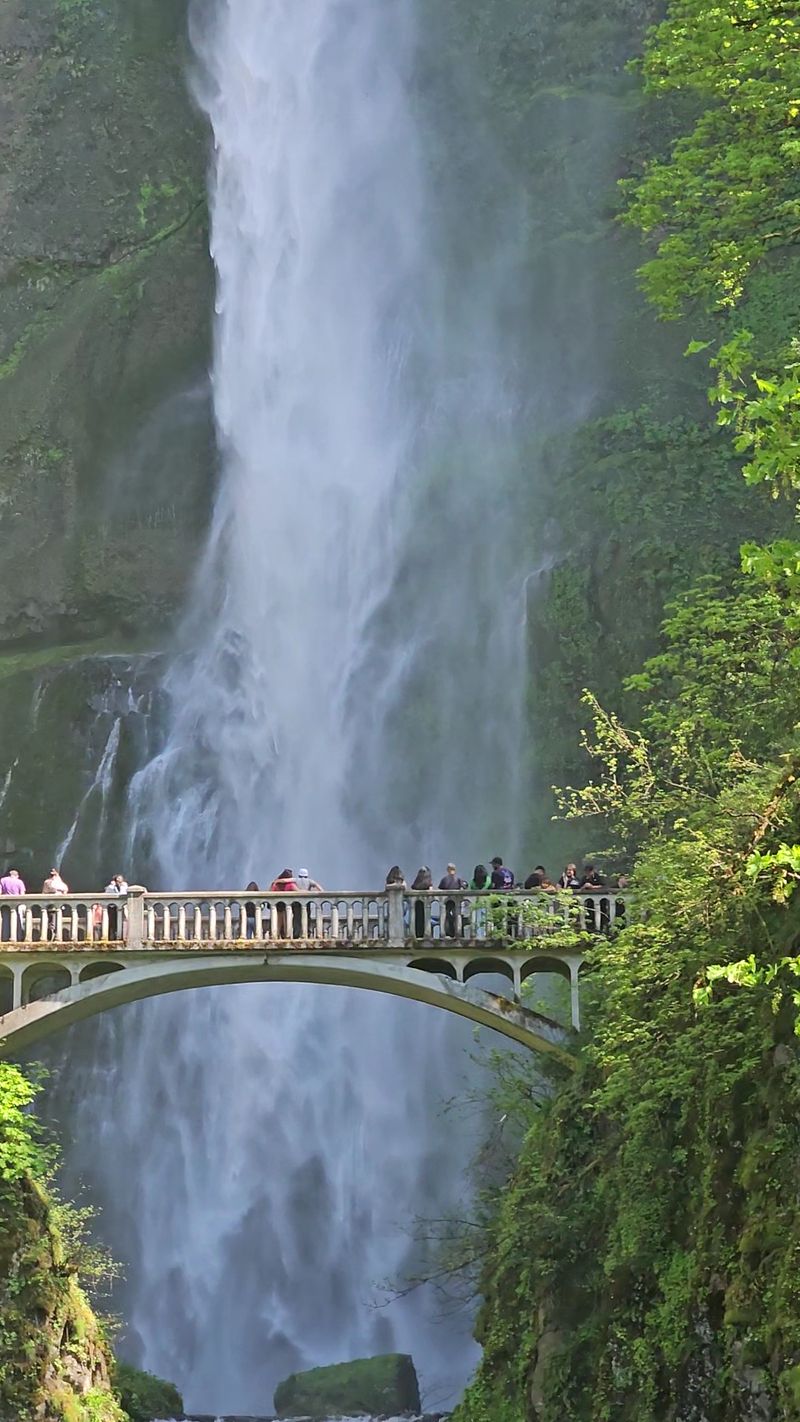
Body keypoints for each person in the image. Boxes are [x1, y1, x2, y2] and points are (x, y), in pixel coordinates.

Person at [438, 863, 466, 939]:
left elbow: (440, 889)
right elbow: (464, 887)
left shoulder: (446, 879)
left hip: (451, 902)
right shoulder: (457, 879)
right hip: (451, 902)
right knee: (454, 917)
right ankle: (456, 933)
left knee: (451, 917)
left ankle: (451, 933)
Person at [43, 867, 69, 942]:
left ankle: (53, 936)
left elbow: (44, 892)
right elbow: (65, 890)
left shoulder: (48, 882)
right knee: (54, 921)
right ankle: (54, 935)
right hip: (55, 905)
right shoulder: (57, 882)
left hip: (52, 905)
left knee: (52, 921)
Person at [270, 869, 298, 938]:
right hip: (286, 905)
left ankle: (276, 935)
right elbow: (298, 891)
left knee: (277, 922)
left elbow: (270, 892)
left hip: (277, 905)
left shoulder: (275, 884)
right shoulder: (290, 885)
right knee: (286, 921)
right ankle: (286, 935)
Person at [0, 867, 26, 943]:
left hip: (5, 903)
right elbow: (22, 894)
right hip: (17, 903)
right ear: (17, 876)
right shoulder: (19, 882)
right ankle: (18, 936)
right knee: (18, 920)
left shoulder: (3, 880)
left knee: (5, 920)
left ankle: (4, 937)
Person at [103, 873, 128, 941]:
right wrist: (112, 886)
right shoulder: (111, 887)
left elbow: (124, 894)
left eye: (120, 880)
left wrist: (124, 886)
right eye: (118, 880)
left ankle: (121, 935)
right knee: (112, 922)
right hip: (112, 907)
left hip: (121, 907)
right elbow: (107, 893)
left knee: (122, 921)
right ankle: (111, 936)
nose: (119, 882)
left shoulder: (124, 886)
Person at [411, 867, 432, 937]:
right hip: (425, 904)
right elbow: (430, 889)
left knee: (418, 919)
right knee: (424, 919)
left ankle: (418, 934)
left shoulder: (417, 880)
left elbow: (413, 887)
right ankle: (423, 934)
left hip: (417, 903)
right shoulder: (428, 880)